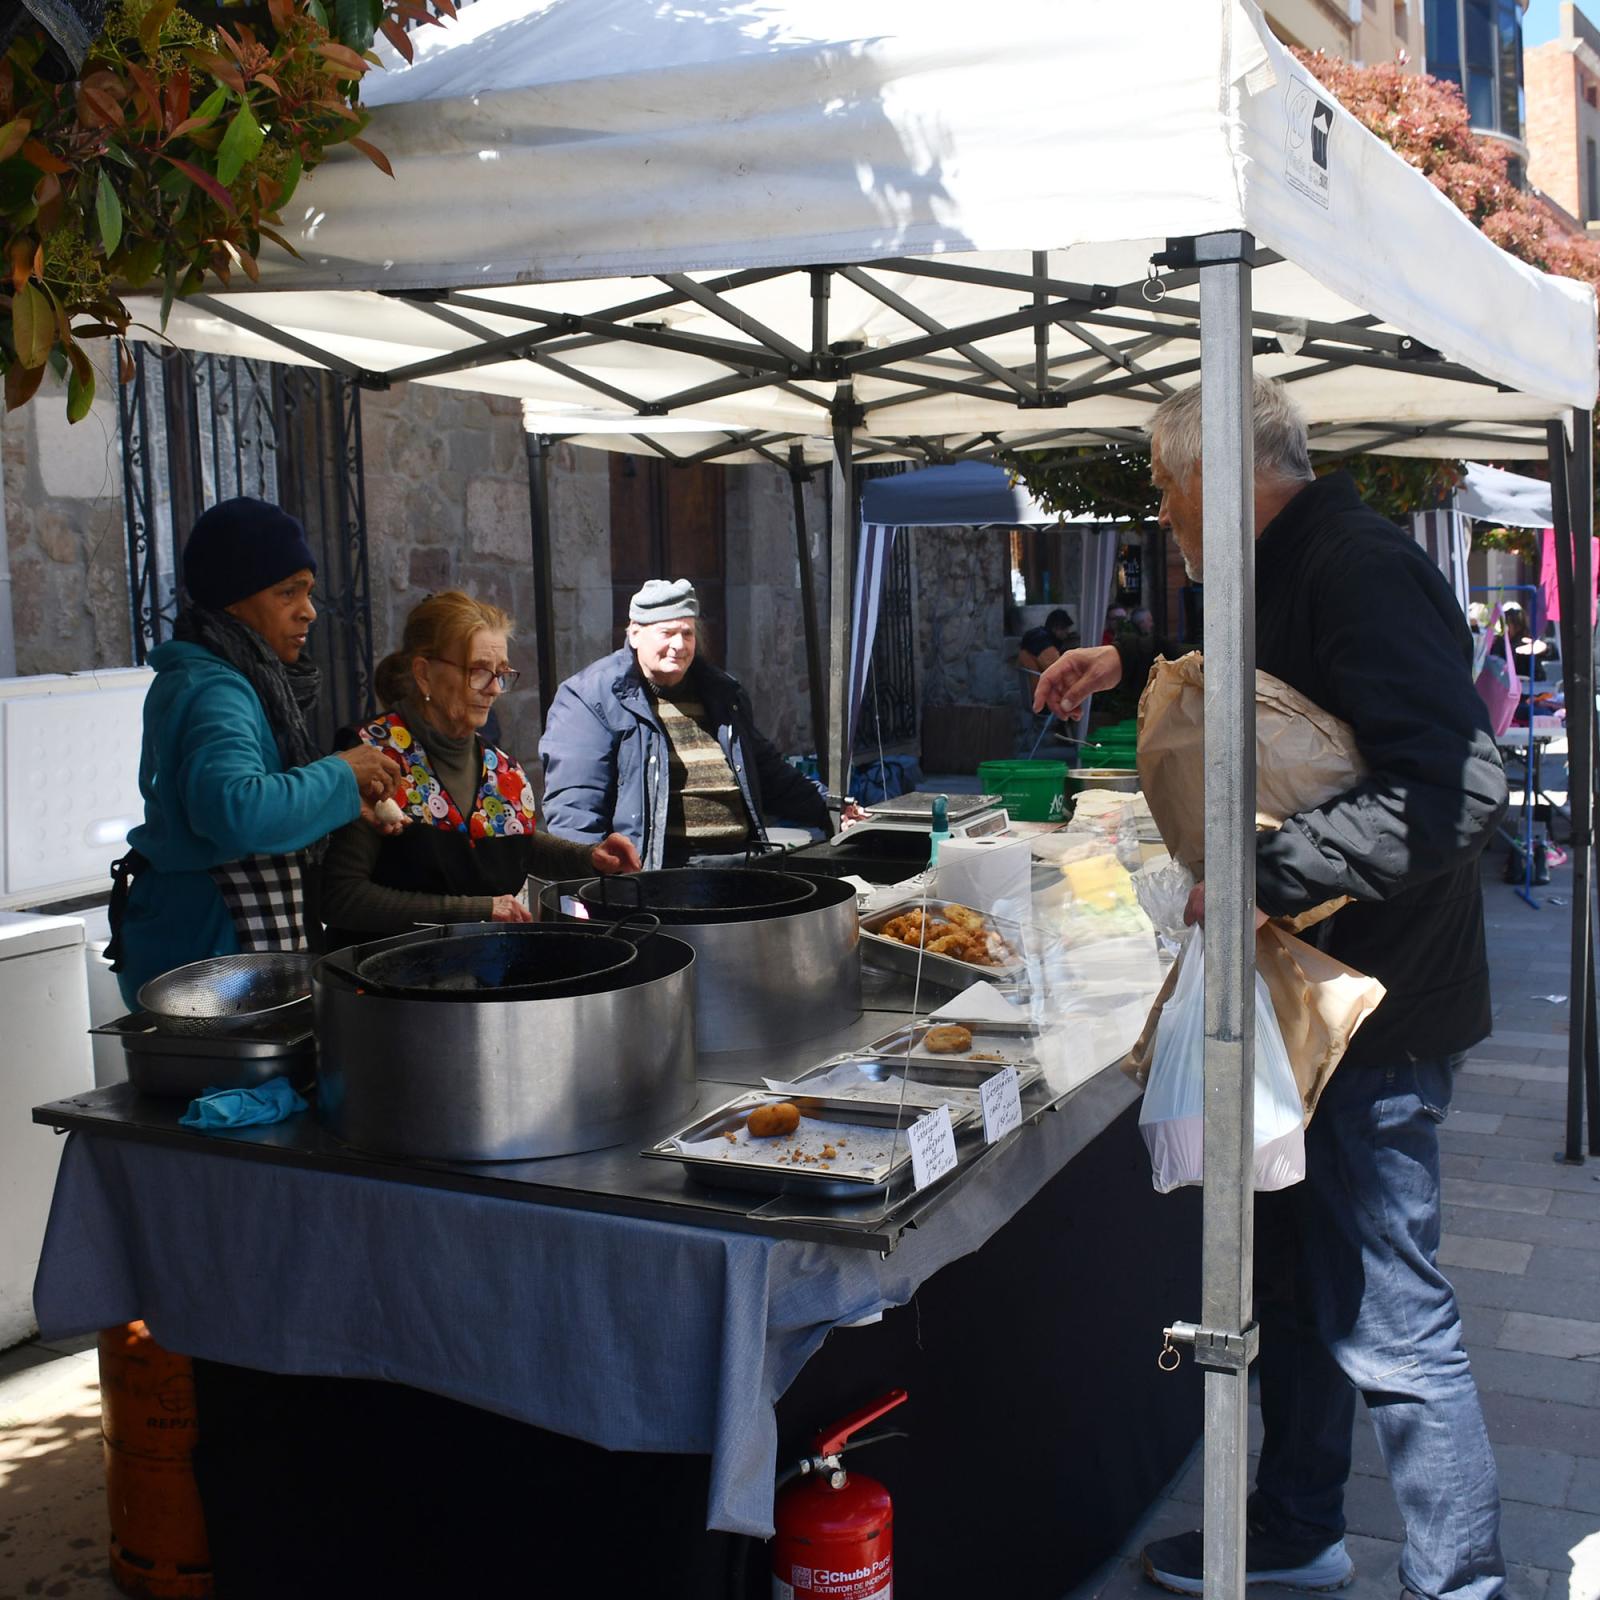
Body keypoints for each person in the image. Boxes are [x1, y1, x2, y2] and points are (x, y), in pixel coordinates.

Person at [1036, 377, 1509, 1600]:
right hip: (1306, 1001)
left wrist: (1268, 874)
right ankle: (1298, 1529)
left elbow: (1454, 789)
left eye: (1165, 484)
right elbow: (1282, 701)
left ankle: (1461, 1581)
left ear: (1222, 473)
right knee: (1296, 1287)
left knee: (1389, 1315)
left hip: (1376, 1008)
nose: (1161, 509)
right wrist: (1130, 662)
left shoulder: (1355, 567)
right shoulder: (1279, 565)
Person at [110, 498, 402, 1008]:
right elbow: (235, 809)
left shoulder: (232, 679)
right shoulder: (216, 690)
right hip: (210, 949)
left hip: (216, 945)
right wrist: (340, 772)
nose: (308, 610)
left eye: (308, 591)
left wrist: (340, 802)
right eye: (287, 592)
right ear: (234, 600)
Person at [320, 591, 639, 949]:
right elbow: (342, 897)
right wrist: (479, 910)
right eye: (479, 671)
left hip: (473, 971)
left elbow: (510, 841)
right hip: (382, 974)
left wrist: (590, 857)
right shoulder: (373, 757)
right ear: (424, 674)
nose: (494, 689)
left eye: (501, 673)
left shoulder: (501, 771)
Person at [540, 579, 846, 869]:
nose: (679, 645)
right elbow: (575, 810)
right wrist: (589, 879)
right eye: (667, 633)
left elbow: (768, 773)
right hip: (657, 876)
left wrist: (834, 809)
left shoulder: (722, 693)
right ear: (634, 634)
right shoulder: (590, 697)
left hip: (741, 868)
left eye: (687, 633)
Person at [1017, 607, 1075, 675]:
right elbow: (1058, 671)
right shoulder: (1044, 644)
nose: (1067, 632)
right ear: (1055, 628)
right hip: (1039, 681)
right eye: (1065, 629)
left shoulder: (1041, 636)